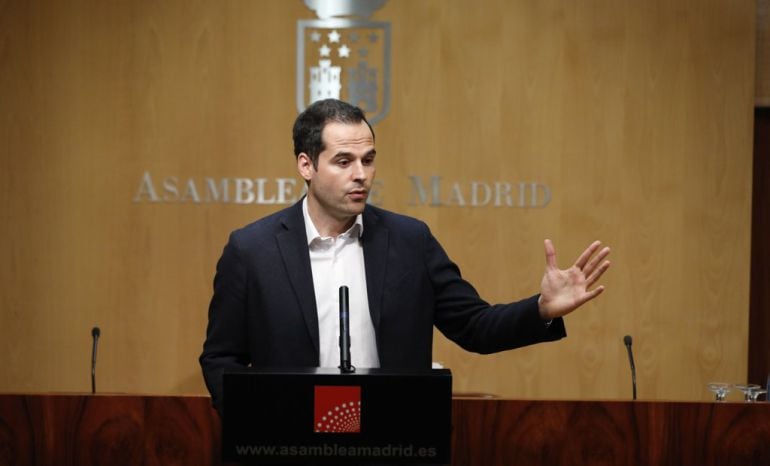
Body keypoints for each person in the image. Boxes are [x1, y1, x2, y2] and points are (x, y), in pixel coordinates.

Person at [199, 99, 611, 413]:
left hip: (393, 440)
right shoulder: (252, 249)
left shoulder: (410, 241)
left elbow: (474, 326)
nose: (361, 174)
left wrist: (541, 309)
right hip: (288, 445)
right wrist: (255, 418)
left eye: (368, 160)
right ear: (306, 165)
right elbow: (221, 357)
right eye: (343, 161)